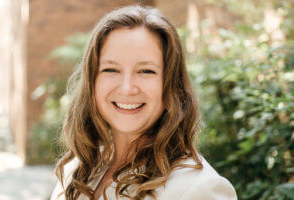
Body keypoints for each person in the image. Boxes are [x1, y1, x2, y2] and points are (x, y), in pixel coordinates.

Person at [50, 5, 237, 200]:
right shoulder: (78, 171)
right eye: (111, 70)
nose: (127, 88)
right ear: (92, 82)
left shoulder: (199, 188)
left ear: (171, 84)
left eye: (146, 71)